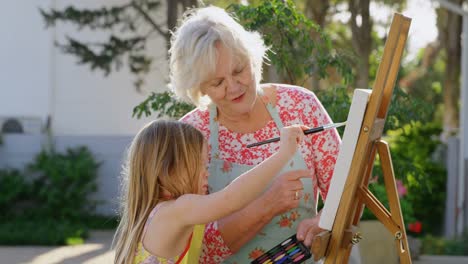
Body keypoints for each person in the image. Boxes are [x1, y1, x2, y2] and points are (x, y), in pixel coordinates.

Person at [170, 6, 355, 264]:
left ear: (252, 58)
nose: (233, 87)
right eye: (217, 82)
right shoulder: (190, 135)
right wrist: (268, 204)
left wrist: (324, 220)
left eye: (238, 71)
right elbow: (199, 247)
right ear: (199, 87)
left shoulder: (300, 105)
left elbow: (348, 190)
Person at [112, 120, 307, 264]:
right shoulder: (176, 210)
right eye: (201, 165)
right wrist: (284, 154)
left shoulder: (152, 216)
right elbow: (230, 200)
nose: (207, 173)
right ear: (169, 169)